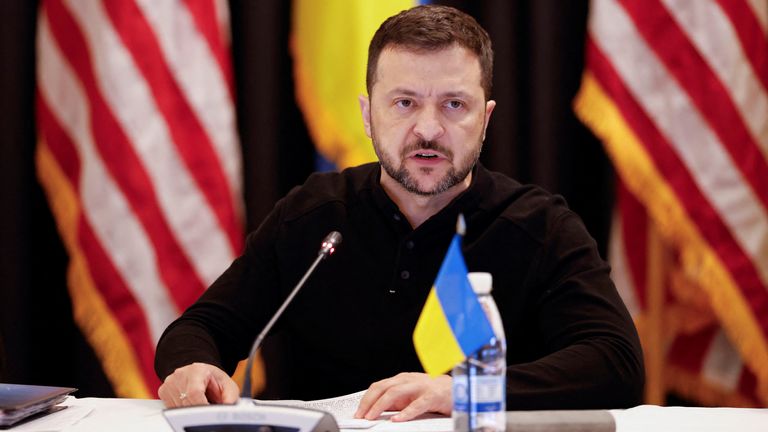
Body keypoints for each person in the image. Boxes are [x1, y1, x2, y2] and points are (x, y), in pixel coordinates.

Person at [155, 4, 644, 421]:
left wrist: (463, 393)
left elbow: (616, 364)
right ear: (368, 116)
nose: (427, 130)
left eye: (454, 104)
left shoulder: (539, 226)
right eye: (404, 103)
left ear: (486, 118)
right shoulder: (314, 215)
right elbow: (197, 330)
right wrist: (194, 368)